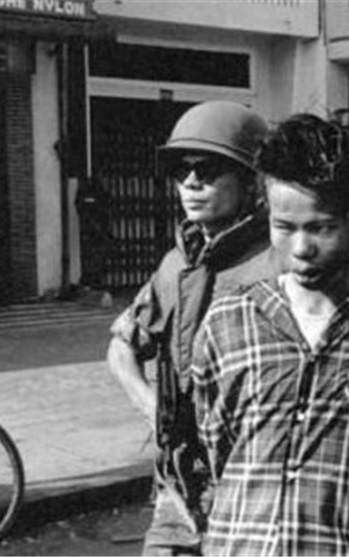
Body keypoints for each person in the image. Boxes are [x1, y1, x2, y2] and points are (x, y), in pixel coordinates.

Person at [191, 113, 349, 556]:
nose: (301, 248)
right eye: (284, 228)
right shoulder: (228, 321)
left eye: (321, 228)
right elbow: (218, 448)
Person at [107, 100, 275, 556]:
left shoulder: (278, 263)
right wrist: (150, 405)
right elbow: (121, 347)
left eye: (210, 169)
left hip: (251, 488)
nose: (192, 182)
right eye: (182, 170)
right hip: (178, 488)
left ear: (251, 180)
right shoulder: (177, 263)